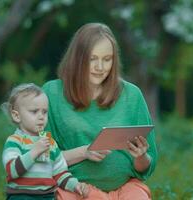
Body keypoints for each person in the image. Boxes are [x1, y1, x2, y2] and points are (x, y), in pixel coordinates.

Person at [42, 22, 157, 199]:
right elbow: (40, 159)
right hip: (74, 188)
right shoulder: (51, 93)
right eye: (92, 58)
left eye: (107, 59)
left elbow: (147, 167)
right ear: (78, 58)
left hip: (125, 188)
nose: (100, 67)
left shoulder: (132, 95)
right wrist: (84, 152)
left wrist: (141, 157)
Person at [1, 83, 89, 200]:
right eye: (34, 111)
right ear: (17, 116)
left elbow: (60, 173)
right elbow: (12, 170)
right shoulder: (15, 141)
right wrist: (34, 152)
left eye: (44, 112)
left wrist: (75, 185)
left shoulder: (50, 142)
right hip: (21, 195)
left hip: (47, 196)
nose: (41, 116)